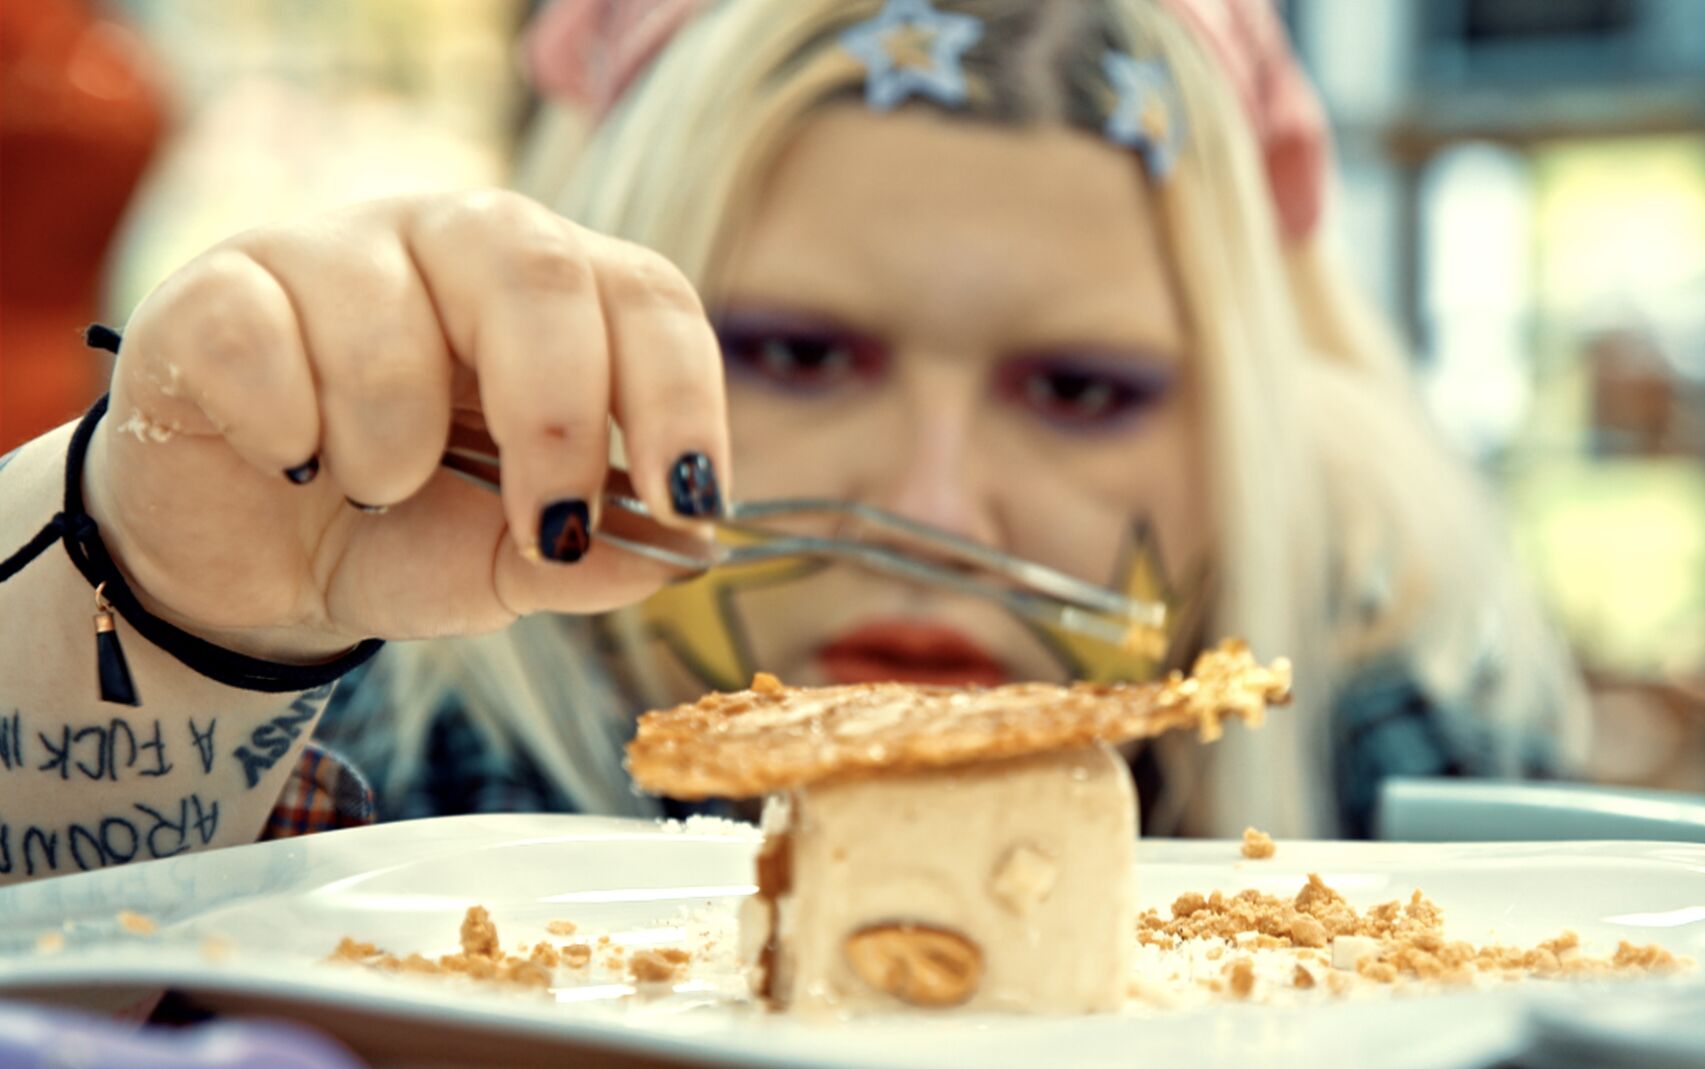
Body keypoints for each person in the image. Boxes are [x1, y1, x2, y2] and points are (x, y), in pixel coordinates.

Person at [0, 0, 1584, 886]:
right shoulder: (361, 777)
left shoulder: (1414, 805)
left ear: (1249, 442)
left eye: (1083, 390)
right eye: (798, 357)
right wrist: (168, 618)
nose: (934, 508)